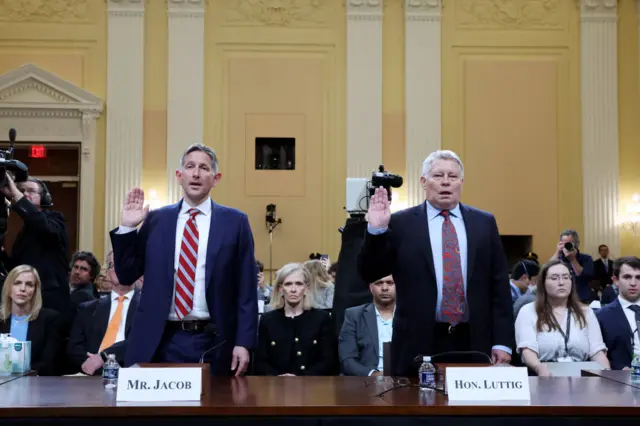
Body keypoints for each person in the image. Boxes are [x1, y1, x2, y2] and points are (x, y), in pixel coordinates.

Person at [358, 150, 514, 376]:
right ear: (423, 182)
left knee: (472, 409)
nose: (445, 182)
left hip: (474, 340)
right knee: (415, 407)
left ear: (461, 182)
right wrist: (377, 230)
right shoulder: (401, 223)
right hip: (417, 340)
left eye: (452, 176)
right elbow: (371, 271)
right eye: (438, 176)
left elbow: (499, 286)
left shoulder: (484, 223)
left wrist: (502, 342)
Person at [110, 143, 258, 376]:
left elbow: (247, 288)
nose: (196, 173)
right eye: (190, 167)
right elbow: (127, 275)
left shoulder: (235, 222)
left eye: (204, 168)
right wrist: (128, 228)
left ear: (215, 178)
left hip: (213, 340)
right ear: (179, 176)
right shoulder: (157, 219)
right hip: (159, 339)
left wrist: (244, 342)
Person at [515, 261, 609, 376]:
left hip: (581, 377)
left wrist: (607, 374)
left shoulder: (586, 312)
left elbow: (597, 351)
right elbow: (527, 350)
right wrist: (538, 367)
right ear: (543, 283)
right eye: (554, 278)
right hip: (543, 375)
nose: (561, 283)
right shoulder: (528, 311)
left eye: (566, 278)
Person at [0, 176, 70, 327]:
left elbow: (41, 224)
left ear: (45, 197)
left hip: (50, 303)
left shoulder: (56, 219)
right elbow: (17, 268)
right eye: (22, 190)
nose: (25, 194)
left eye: (31, 191)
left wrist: (16, 196)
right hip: (26, 304)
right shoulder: (24, 232)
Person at [254, 263, 335, 376]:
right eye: (288, 284)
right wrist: (278, 378)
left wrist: (302, 379)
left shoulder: (322, 319)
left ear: (306, 288)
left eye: (298, 284)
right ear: (281, 289)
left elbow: (329, 360)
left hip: (313, 387)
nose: (293, 289)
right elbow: (260, 361)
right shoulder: (268, 320)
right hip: (275, 387)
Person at [67, 251, 140, 375]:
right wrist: (92, 364)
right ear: (107, 273)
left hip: (132, 374)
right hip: (91, 376)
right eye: (113, 265)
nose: (120, 269)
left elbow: (141, 342)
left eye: (124, 263)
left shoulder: (148, 308)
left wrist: (104, 358)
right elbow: (74, 347)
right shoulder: (88, 309)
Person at [0, 265, 61, 376]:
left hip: (35, 385)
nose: (22, 289)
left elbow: (48, 363)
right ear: (8, 288)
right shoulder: (1, 319)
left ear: (35, 291)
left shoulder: (49, 319)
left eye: (29, 284)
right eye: (17, 283)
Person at [339, 275, 396, 376]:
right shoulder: (354, 315)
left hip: (402, 380)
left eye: (390, 283)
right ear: (371, 288)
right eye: (379, 283)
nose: (384, 288)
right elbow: (347, 359)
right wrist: (373, 375)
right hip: (365, 382)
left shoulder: (409, 316)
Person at [597, 256, 640, 369]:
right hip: (621, 380)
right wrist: (619, 369)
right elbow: (595, 355)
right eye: (627, 277)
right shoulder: (602, 316)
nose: (633, 283)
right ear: (615, 281)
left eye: (638, 277)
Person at [550, 230, 594, 304]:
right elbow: (547, 270)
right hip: (561, 298)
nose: (567, 246)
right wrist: (557, 252)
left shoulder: (586, 258)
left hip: (580, 298)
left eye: (569, 243)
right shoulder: (558, 258)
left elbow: (583, 276)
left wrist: (572, 259)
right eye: (564, 243)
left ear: (577, 244)